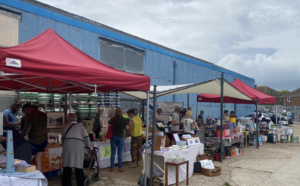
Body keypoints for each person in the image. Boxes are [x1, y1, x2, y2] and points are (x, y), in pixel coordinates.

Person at [61, 113, 92, 186]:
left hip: (67, 146)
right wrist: (89, 146)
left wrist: (64, 145)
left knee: (67, 166)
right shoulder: (81, 126)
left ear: (68, 119)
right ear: (76, 118)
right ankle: (80, 183)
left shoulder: (65, 126)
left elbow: (62, 138)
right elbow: (86, 137)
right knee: (78, 167)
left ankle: (66, 184)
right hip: (78, 147)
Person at [21, 104, 48, 171]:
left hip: (35, 141)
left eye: (25, 112)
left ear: (26, 109)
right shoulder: (43, 114)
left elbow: (26, 131)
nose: (25, 114)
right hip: (44, 139)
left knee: (28, 160)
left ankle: (28, 178)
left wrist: (21, 134)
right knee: (38, 160)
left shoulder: (30, 115)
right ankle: (39, 177)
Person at [109, 108, 129, 172]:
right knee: (120, 153)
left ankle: (112, 168)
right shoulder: (124, 119)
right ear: (121, 112)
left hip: (113, 136)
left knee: (113, 153)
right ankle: (120, 168)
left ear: (115, 112)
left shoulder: (113, 119)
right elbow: (127, 127)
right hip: (121, 137)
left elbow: (109, 124)